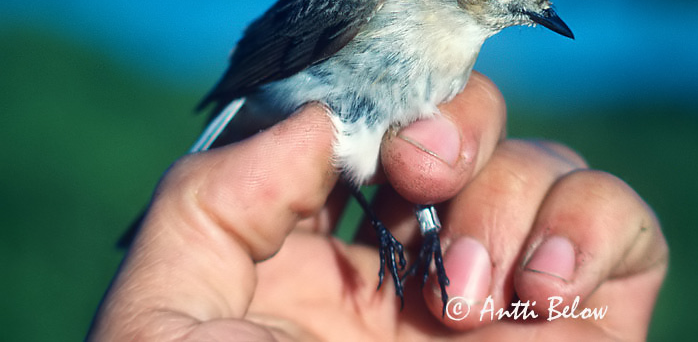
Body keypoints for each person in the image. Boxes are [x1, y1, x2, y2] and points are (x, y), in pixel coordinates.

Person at [89, 73, 668, 340]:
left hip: (358, 176)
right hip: (282, 92)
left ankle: (417, 223)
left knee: (415, 163)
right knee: (399, 158)